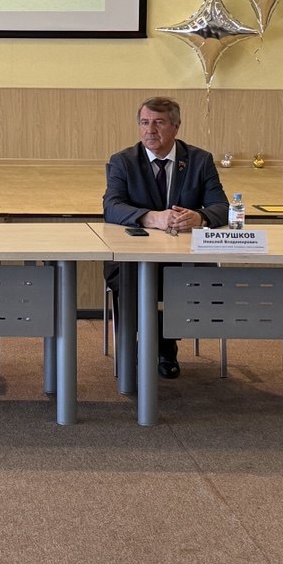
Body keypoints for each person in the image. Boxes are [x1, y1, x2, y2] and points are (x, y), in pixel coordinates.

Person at [103, 96, 228, 379]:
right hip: (132, 260)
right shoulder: (124, 161)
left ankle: (161, 347)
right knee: (141, 279)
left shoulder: (199, 161)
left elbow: (222, 207)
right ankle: (153, 348)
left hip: (183, 259)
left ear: (176, 126)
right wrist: (152, 217)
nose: (150, 130)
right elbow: (111, 207)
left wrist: (200, 217)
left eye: (158, 123)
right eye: (144, 123)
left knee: (176, 278)